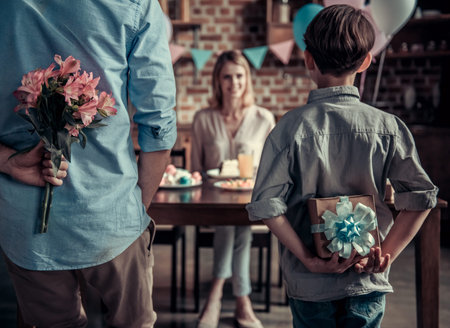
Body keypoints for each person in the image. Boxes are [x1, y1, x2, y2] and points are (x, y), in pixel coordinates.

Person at [246, 5, 438, 328]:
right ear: (366, 61)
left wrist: (307, 258)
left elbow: (266, 206)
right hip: (366, 283)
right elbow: (421, 197)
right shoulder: (389, 127)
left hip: (310, 286)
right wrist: (383, 253)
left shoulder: (288, 130)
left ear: (308, 60)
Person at [0, 1, 176, 327]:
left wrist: (8, 162)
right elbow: (158, 125)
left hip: (25, 223)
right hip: (111, 213)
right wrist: (135, 209)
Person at [191, 50, 275, 328]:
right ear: (217, 81)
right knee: (233, 226)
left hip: (251, 199)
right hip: (212, 203)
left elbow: (269, 172)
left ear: (247, 79)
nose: (234, 82)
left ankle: (215, 297)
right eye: (227, 76)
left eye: (239, 76)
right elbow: (196, 170)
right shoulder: (203, 118)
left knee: (239, 224)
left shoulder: (264, 118)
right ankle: (242, 302)